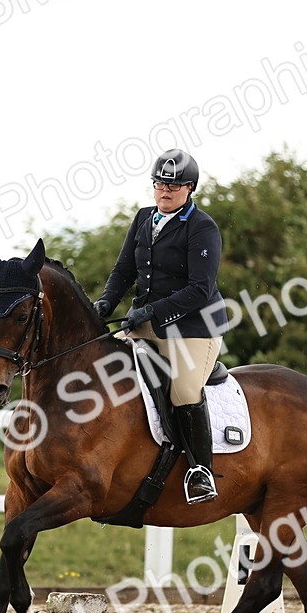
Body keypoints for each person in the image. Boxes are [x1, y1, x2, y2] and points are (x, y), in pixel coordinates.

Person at [93, 149, 228, 504]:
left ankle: (202, 471)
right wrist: (107, 301)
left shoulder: (202, 228)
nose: (165, 191)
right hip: (146, 321)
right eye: (159, 184)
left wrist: (151, 310)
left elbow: (200, 289)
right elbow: (123, 271)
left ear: (190, 189)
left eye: (174, 185)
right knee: (97, 362)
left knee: (183, 391)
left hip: (194, 328)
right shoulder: (143, 219)